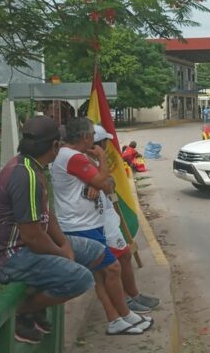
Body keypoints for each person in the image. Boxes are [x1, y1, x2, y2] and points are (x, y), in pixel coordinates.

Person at [0, 116, 105, 344]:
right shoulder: (24, 175)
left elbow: (47, 215)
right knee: (81, 280)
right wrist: (63, 255)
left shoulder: (33, 167)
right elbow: (33, 236)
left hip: (25, 246)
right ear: (55, 146)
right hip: (6, 257)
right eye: (61, 143)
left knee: (96, 251)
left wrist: (63, 244)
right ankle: (20, 311)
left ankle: (37, 302)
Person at [51, 118, 152, 335]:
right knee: (112, 267)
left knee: (102, 273)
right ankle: (125, 314)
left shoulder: (72, 157)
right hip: (81, 226)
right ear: (86, 137)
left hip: (87, 223)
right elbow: (103, 181)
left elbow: (105, 184)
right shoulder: (74, 157)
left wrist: (99, 180)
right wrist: (103, 162)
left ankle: (115, 319)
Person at [92, 126, 160, 313]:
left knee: (125, 255)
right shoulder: (88, 162)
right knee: (111, 266)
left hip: (108, 216)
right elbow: (105, 184)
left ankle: (133, 294)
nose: (107, 145)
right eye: (105, 142)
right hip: (98, 221)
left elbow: (110, 183)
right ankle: (123, 302)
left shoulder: (97, 162)